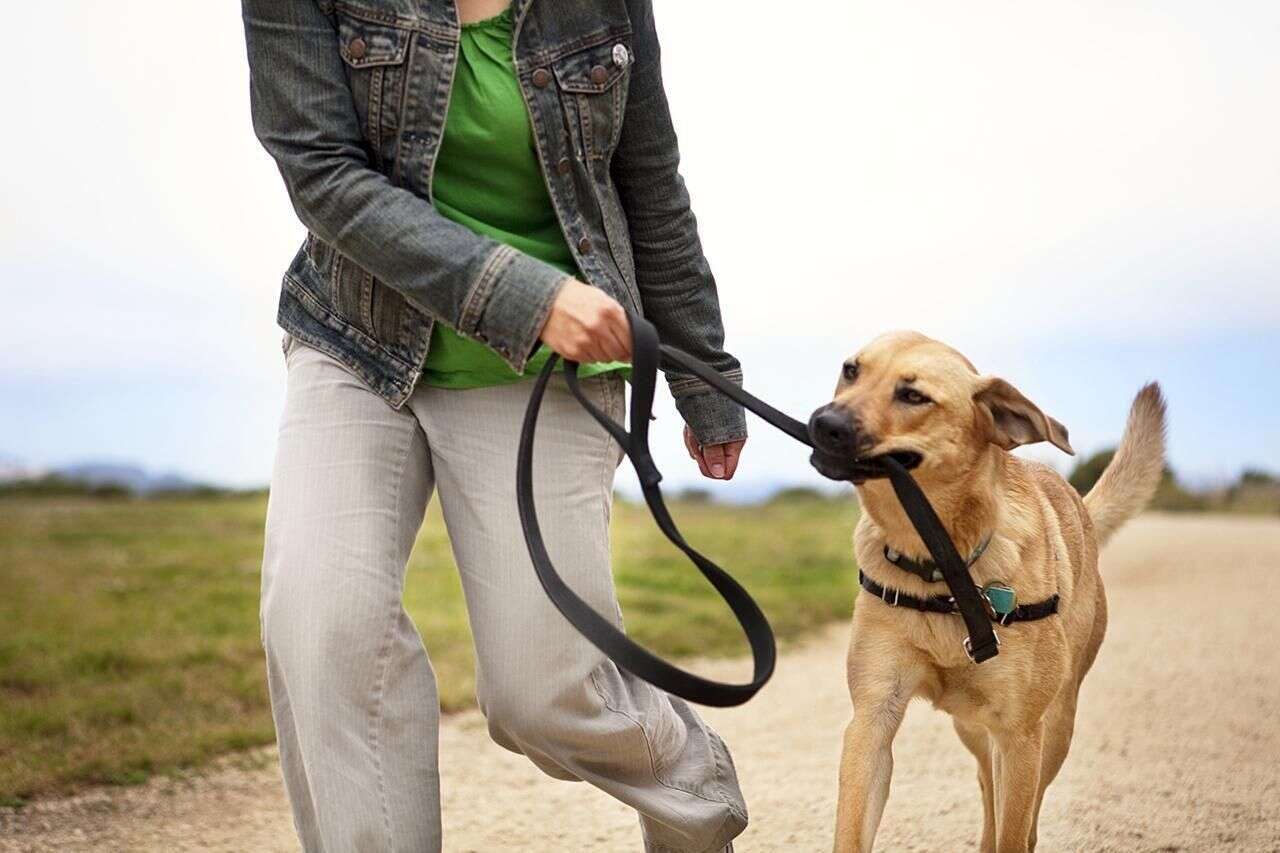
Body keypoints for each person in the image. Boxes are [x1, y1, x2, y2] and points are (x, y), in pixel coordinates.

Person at [242, 0, 748, 849]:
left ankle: (694, 798)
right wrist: (522, 294)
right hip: (356, 338)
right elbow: (321, 172)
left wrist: (706, 377)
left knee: (541, 692)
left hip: (549, 366)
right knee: (320, 627)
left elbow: (650, 182)